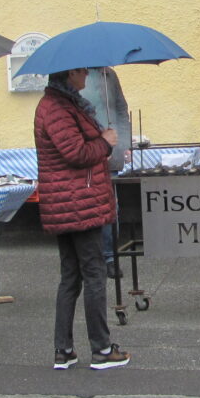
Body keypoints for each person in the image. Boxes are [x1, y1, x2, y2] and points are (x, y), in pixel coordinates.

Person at [36, 67, 130, 370]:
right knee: (93, 273)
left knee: (72, 276)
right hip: (77, 203)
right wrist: (104, 142)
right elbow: (75, 153)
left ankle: (63, 350)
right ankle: (101, 349)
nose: (86, 77)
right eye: (82, 72)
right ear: (69, 74)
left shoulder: (64, 104)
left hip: (71, 202)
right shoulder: (56, 108)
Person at [80, 67, 130, 280]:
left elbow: (120, 108)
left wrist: (124, 143)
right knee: (90, 207)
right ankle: (94, 257)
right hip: (90, 152)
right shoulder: (78, 75)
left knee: (112, 207)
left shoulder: (109, 74)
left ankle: (110, 256)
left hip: (112, 152)